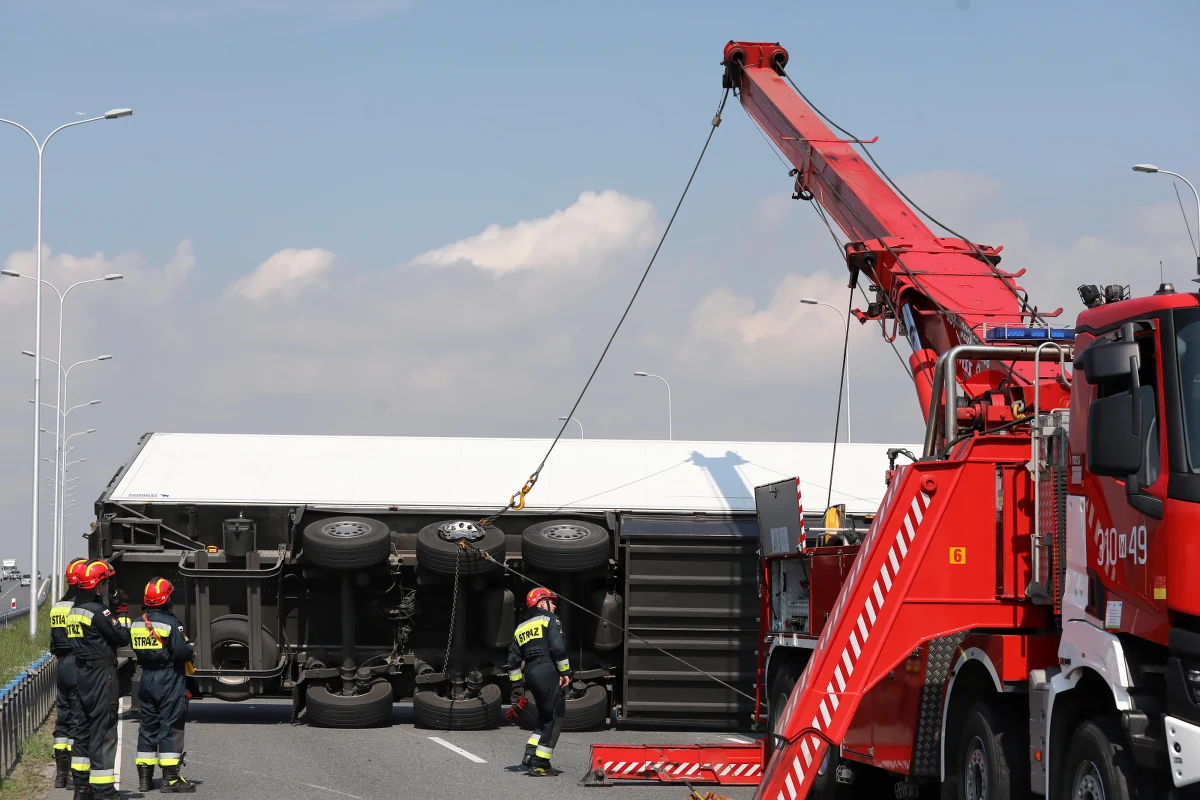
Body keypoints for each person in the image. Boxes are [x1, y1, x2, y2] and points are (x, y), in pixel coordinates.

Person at [68, 559, 130, 800]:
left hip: (81, 674)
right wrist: (120, 614)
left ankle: (81, 787)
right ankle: (104, 789)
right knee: (104, 729)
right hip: (101, 675)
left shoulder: (74, 612)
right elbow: (121, 637)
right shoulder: (99, 611)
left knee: (82, 729)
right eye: (105, 583)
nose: (106, 587)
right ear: (98, 585)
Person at [130, 577, 196, 793]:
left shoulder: (137, 622)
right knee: (170, 725)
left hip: (146, 676)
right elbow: (181, 651)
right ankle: (170, 779)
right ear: (166, 598)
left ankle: (144, 779)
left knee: (147, 727)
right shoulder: (171, 622)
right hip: (168, 678)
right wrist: (191, 650)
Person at [506, 587, 570, 777]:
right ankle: (541, 763)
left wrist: (517, 687)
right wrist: (564, 672)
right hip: (547, 669)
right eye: (551, 602)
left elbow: (513, 661)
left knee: (544, 714)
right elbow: (558, 647)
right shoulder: (550, 619)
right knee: (555, 715)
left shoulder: (521, 627)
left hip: (531, 673)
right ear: (542, 603)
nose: (554, 606)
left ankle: (529, 755)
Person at [50, 558, 89, 789]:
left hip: (62, 665)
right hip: (78, 664)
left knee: (62, 716)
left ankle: (60, 775)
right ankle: (75, 775)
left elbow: (53, 644)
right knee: (78, 717)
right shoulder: (82, 607)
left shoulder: (57, 607)